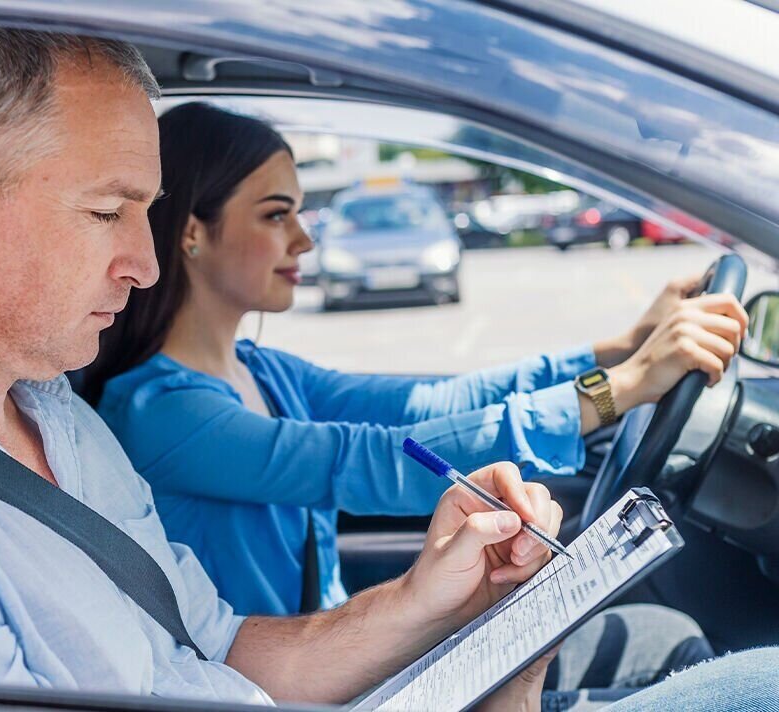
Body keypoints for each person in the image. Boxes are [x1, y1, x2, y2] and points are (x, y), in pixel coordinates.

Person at [0, 20, 775, 712]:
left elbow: (227, 652)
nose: (146, 260)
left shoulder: (53, 418)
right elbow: (369, 450)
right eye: (107, 211)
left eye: (146, 213)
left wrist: (429, 603)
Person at [87, 102, 749, 618]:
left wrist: (621, 352)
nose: (305, 238)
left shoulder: (261, 370)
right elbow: (370, 461)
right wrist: (622, 389)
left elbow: (435, 405)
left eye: (301, 212)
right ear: (193, 232)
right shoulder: (162, 410)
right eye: (275, 215)